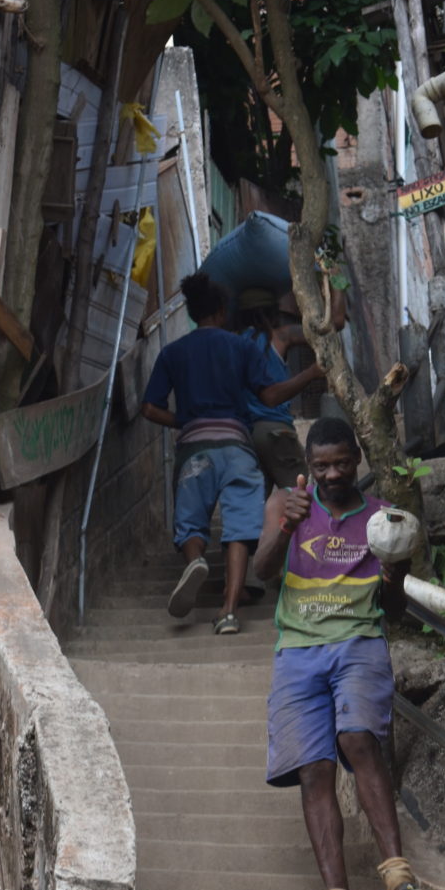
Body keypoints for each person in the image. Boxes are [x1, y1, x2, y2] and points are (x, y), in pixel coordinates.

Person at [253, 416, 425, 890]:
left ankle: (397, 872)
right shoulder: (282, 506)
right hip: (297, 653)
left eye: (342, 464)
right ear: (308, 465)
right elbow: (263, 571)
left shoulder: (382, 519)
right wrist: (288, 524)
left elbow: (393, 609)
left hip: (358, 643)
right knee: (313, 768)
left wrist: (395, 575)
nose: (332, 475)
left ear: (357, 460)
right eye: (322, 466)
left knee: (358, 740)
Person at [142, 272, 321, 634]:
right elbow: (270, 396)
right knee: (239, 526)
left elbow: (149, 408)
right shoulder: (241, 348)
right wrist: (312, 373)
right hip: (237, 447)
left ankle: (195, 562)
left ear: (193, 313)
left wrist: (186, 422)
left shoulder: (172, 353)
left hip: (195, 448)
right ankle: (228, 611)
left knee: (191, 521)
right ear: (222, 311)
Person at [238, 290, 346, 493]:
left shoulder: (233, 344)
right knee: (306, 498)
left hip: (245, 435)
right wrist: (338, 287)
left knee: (255, 508)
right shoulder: (279, 336)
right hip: (275, 431)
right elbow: (335, 323)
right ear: (273, 315)